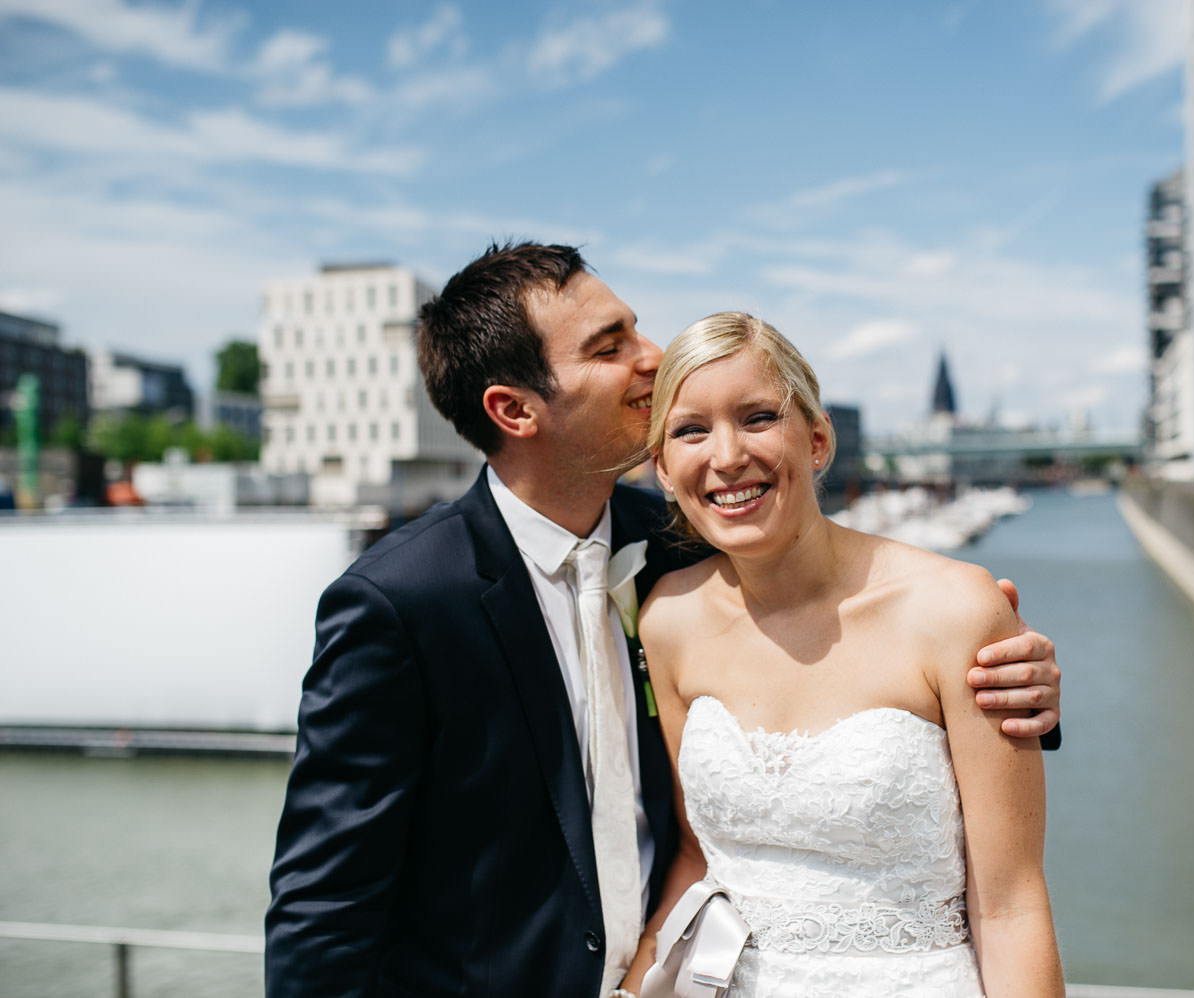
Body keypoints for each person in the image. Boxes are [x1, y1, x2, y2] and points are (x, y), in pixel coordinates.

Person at [264, 243, 1062, 998]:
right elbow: (324, 907)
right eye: (611, 345)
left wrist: (1015, 688)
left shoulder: (682, 540)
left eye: (636, 327)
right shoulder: (398, 604)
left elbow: (863, 668)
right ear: (514, 409)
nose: (651, 355)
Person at [620, 313, 1063, 997]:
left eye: (759, 417)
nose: (728, 454)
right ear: (664, 470)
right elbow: (694, 852)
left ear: (817, 439)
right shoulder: (667, 620)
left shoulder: (955, 610)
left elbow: (1011, 906)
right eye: (691, 430)